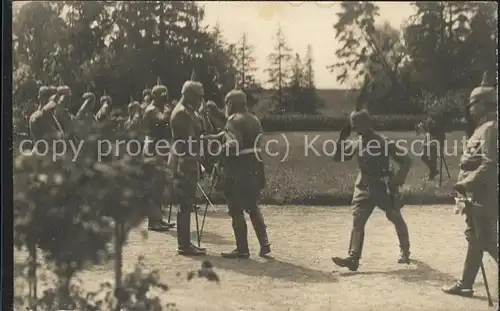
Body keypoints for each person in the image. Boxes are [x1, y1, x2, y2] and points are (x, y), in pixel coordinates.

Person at [331, 109, 412, 271]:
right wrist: (341, 139)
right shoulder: (357, 142)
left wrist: (397, 180)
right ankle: (353, 257)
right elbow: (338, 157)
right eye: (353, 126)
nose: (355, 129)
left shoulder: (383, 142)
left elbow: (406, 160)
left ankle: (405, 251)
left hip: (383, 186)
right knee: (358, 220)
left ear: (368, 124)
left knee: (394, 216)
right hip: (363, 186)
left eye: (357, 125)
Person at [441, 81, 498, 298]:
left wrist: (466, 183)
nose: (470, 109)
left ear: (482, 105)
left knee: (487, 241)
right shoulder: (483, 128)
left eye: (473, 105)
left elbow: (491, 163)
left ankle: (465, 283)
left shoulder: (491, 128)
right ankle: (465, 284)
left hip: (484, 192)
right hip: (475, 192)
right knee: (476, 237)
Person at [203, 89, 270, 259]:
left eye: (227, 104)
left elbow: (234, 143)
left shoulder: (233, 120)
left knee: (235, 208)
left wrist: (218, 153)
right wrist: (215, 137)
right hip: (255, 166)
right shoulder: (253, 119)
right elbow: (231, 135)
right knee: (253, 206)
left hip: (238, 170)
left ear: (231, 104)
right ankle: (264, 243)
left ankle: (242, 248)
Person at [168, 79, 207, 256]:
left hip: (189, 160)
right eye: (199, 97)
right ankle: (183, 245)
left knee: (187, 203)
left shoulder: (189, 111)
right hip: (184, 161)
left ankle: (186, 243)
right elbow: (191, 139)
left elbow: (203, 128)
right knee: (185, 204)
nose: (201, 101)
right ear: (190, 96)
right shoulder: (182, 113)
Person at [142, 84, 175, 232]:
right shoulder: (151, 110)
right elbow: (162, 119)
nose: (165, 100)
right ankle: (152, 222)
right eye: (162, 97)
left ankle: (158, 219)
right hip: (152, 148)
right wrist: (169, 109)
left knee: (160, 186)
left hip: (159, 147)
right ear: (155, 97)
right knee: (154, 187)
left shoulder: (159, 108)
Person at [420, 115, 446, 180]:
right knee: (423, 156)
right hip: (431, 148)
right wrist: (424, 143)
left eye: (429, 125)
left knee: (431, 156)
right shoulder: (430, 131)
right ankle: (434, 171)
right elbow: (425, 140)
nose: (428, 128)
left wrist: (426, 144)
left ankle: (432, 174)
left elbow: (436, 143)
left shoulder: (439, 130)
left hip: (438, 149)